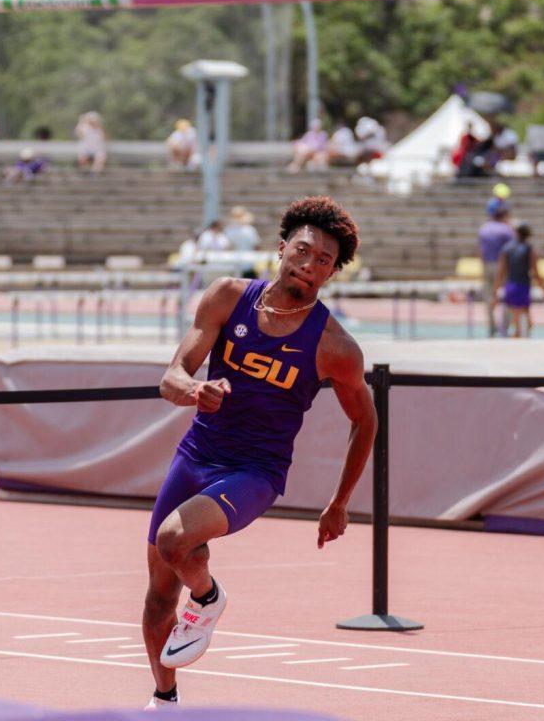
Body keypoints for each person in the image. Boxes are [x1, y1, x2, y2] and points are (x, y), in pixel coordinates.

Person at [143, 197, 374, 710]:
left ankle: (207, 599)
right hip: (197, 453)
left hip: (255, 472)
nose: (310, 266)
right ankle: (164, 701)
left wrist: (340, 502)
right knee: (159, 590)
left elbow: (365, 421)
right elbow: (171, 377)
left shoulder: (335, 346)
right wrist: (194, 392)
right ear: (281, 250)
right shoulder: (228, 297)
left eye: (323, 262)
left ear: (332, 274)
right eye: (303, 252)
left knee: (176, 539)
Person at [494, 224, 544, 339]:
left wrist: (495, 292)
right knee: (522, 326)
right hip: (522, 287)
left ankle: (516, 342)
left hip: (510, 286)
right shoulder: (529, 249)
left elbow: (501, 273)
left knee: (523, 324)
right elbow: (536, 273)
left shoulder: (507, 249)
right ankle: (515, 348)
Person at [477, 204, 514, 337]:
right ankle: (504, 326)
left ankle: (492, 326)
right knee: (507, 296)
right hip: (502, 266)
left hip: (487, 265)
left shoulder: (484, 229)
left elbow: (481, 251)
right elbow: (511, 249)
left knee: (488, 296)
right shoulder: (506, 230)